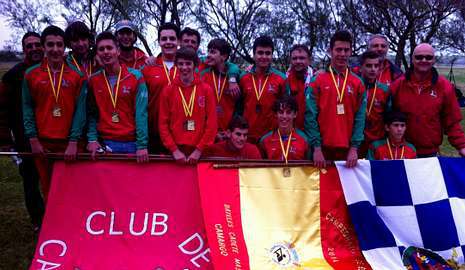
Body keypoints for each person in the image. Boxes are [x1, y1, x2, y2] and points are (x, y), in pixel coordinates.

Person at [22, 25, 87, 200]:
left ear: (65, 47)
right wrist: (33, 139)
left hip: (70, 144)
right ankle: (53, 226)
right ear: (43, 46)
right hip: (43, 144)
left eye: (59, 45)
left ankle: (74, 225)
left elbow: (80, 112)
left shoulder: (77, 76)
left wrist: (73, 141)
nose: (55, 49)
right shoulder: (31, 74)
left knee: (74, 189)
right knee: (49, 189)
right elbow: (27, 108)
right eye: (50, 45)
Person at [1, 32, 45, 229]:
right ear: (23, 48)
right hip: (24, 138)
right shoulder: (13, 75)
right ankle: (38, 219)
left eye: (38, 45)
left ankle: (58, 216)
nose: (35, 49)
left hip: (51, 136)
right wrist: (5, 141)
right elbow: (1, 110)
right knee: (30, 181)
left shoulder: (53, 68)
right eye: (30, 46)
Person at [390, 43, 465, 157]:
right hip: (401, 151)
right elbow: (386, 119)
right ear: (412, 59)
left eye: (428, 57)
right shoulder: (397, 86)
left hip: (429, 153)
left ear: (434, 60)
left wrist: (462, 146)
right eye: (419, 57)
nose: (424, 60)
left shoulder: (444, 86)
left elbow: (452, 121)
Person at [305, 30, 366, 168]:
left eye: (346, 50)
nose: (342, 54)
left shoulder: (358, 83)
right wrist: (317, 148)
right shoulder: (317, 80)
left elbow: (360, 117)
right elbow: (310, 116)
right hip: (322, 150)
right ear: (330, 51)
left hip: (348, 152)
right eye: (338, 50)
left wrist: (354, 148)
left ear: (351, 52)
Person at [86, 32, 148, 163]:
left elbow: (141, 113)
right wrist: (92, 139)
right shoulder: (93, 80)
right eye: (101, 49)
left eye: (110, 48)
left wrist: (142, 145)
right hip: (105, 143)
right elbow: (92, 114)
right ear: (97, 53)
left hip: (131, 143)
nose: (106, 52)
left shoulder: (136, 77)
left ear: (118, 51)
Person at [158, 47, 217, 164]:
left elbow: (212, 123)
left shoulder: (206, 90)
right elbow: (163, 124)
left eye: (188, 64)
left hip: (200, 151)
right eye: (180, 64)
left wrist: (199, 150)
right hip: (176, 152)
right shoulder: (168, 90)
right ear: (176, 65)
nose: (184, 67)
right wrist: (174, 150)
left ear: (195, 65)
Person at [239, 35, 286, 143]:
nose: (264, 56)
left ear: (272, 55)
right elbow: (238, 107)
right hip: (246, 135)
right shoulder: (243, 77)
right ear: (254, 55)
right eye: (260, 53)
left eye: (268, 53)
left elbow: (285, 109)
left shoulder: (281, 78)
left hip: (271, 135)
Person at [142, 22, 180, 153]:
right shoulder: (148, 69)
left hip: (180, 133)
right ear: (159, 41)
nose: (168, 42)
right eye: (164, 39)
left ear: (178, 41)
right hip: (154, 133)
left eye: (172, 38)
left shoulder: (187, 68)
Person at [200, 38, 241, 140]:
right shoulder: (203, 76)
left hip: (229, 133)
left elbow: (240, 107)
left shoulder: (236, 77)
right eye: (208, 51)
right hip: (206, 133)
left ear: (223, 56)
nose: (208, 55)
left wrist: (232, 129)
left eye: (213, 52)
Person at [359, 50, 391, 157]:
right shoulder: (354, 86)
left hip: (377, 141)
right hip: (356, 141)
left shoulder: (385, 90)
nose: (373, 69)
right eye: (368, 66)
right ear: (361, 67)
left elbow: (388, 116)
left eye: (376, 66)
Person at [259, 95, 309, 160]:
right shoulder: (265, 140)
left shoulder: (304, 140)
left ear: (295, 114)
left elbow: (308, 168)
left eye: (288, 112)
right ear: (276, 114)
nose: (284, 116)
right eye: (281, 112)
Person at [285, 44, 314, 130]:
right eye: (294, 58)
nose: (298, 61)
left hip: (312, 131)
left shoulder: (316, 80)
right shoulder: (284, 80)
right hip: (290, 130)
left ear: (309, 60)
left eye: (302, 58)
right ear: (290, 60)